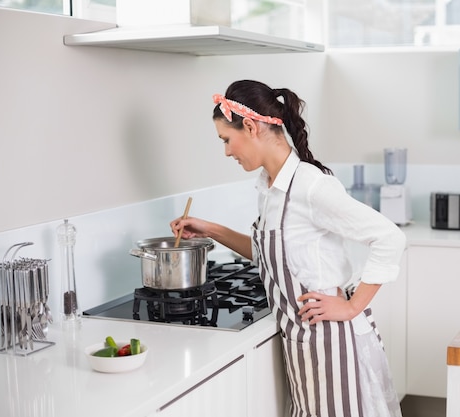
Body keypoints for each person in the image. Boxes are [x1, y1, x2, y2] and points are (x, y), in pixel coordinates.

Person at [170, 80, 406, 417]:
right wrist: (211, 230)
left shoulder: (310, 186)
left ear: (250, 126)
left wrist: (352, 307)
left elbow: (390, 237)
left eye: (226, 140)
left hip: (333, 344)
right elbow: (268, 255)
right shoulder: (270, 187)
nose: (226, 151)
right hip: (305, 345)